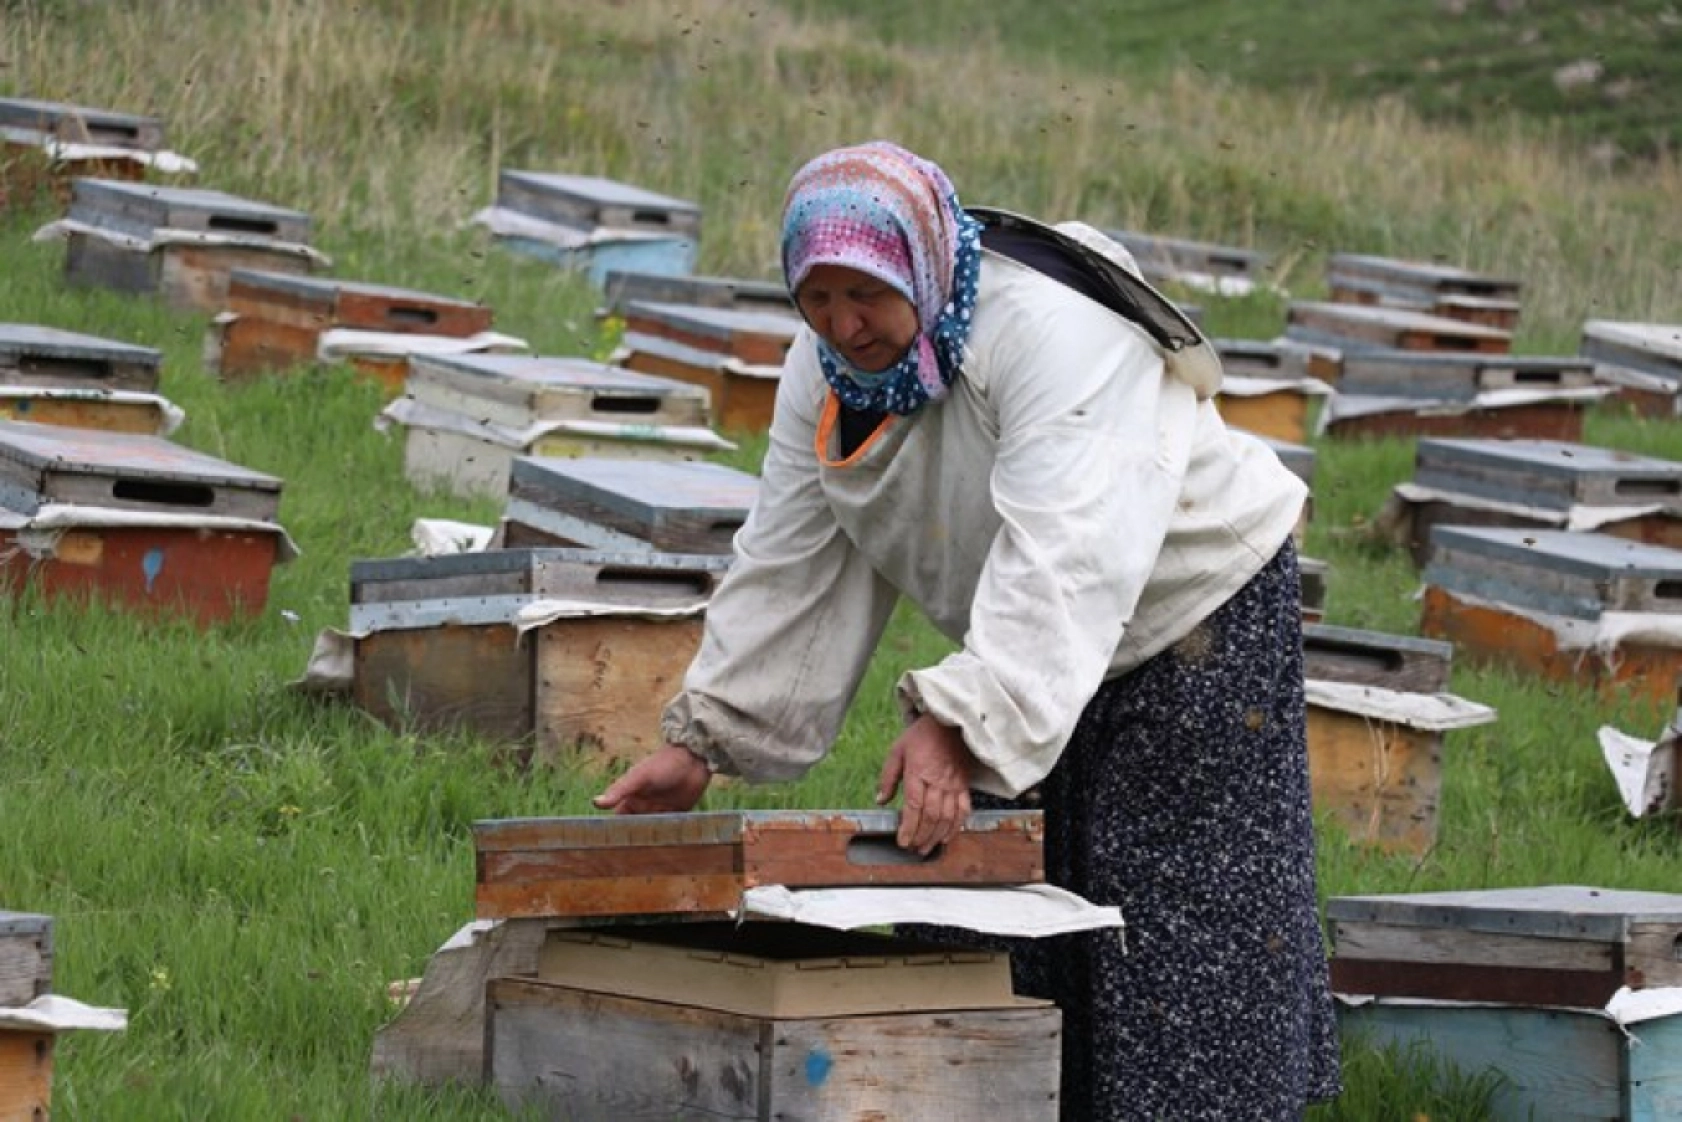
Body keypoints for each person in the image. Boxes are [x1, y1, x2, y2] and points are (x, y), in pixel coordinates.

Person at [594, 140, 1342, 1120]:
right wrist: (704, 743)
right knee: (1000, 915)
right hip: (1028, 633)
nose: (842, 324)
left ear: (919, 264)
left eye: (863, 294)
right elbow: (787, 563)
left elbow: (1069, 552)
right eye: (814, 299)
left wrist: (960, 721)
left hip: (1191, 611)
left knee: (1171, 921)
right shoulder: (819, 376)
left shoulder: (1048, 329)